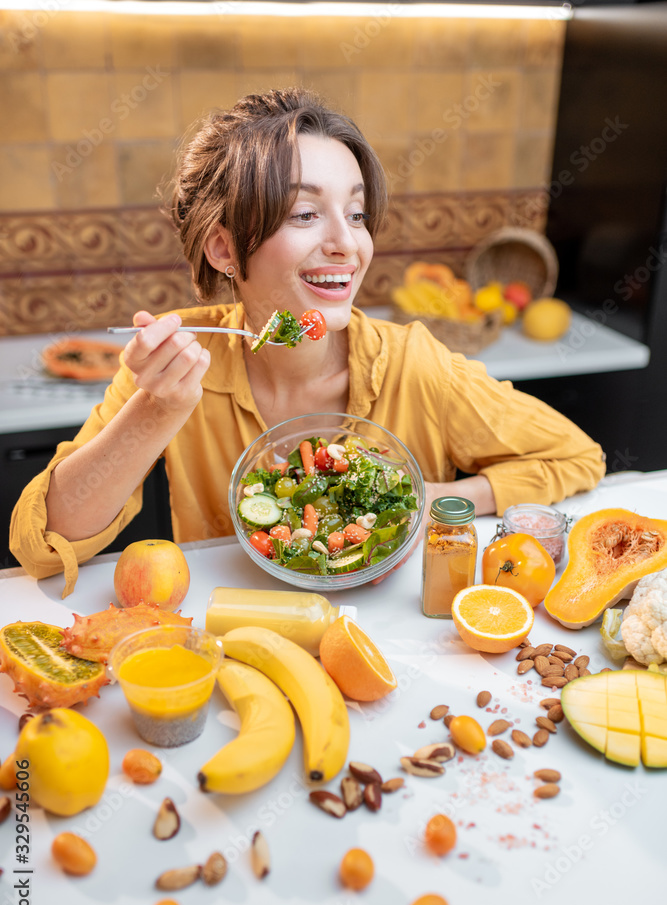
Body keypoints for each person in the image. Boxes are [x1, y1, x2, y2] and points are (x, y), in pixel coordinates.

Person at [10, 88, 605, 597]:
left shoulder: (412, 365)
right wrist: (154, 411)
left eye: (356, 213)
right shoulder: (181, 366)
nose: (347, 244)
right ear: (223, 248)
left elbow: (578, 457)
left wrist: (442, 499)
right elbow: (41, 547)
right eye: (304, 215)